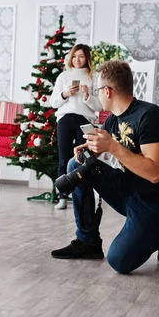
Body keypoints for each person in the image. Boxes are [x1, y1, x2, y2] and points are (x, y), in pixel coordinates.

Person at [51, 60, 159, 274]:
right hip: (130, 191)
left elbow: (154, 174)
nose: (97, 95)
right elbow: (104, 148)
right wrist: (90, 149)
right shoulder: (113, 121)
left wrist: (112, 146)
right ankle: (88, 242)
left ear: (107, 91)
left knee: (119, 261)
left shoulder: (150, 116)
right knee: (75, 164)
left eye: (97, 90)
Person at [49, 44, 103, 210]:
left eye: (81, 56)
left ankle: (84, 194)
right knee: (64, 158)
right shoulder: (63, 76)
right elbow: (53, 102)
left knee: (86, 157)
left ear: (87, 58)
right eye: (74, 56)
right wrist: (65, 94)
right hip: (65, 119)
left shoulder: (93, 76)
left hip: (85, 120)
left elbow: (100, 106)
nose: (77, 60)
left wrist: (87, 95)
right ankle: (63, 196)